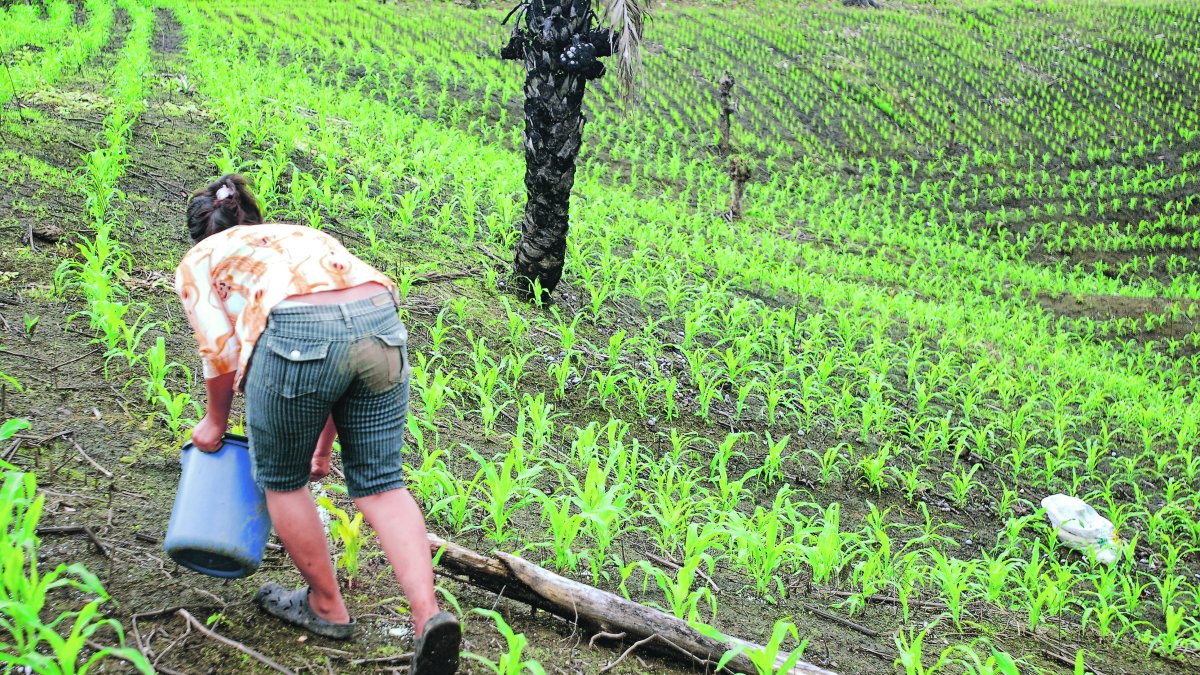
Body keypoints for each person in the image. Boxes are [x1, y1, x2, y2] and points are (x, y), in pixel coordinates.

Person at [174, 174, 460, 674]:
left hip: (298, 333)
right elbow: (339, 340)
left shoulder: (201, 259)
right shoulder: (299, 235)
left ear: (201, 232)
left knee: (281, 481)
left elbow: (218, 356)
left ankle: (327, 605)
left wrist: (214, 422)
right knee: (381, 484)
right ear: (253, 218)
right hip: (380, 320)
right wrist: (323, 449)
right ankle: (428, 619)